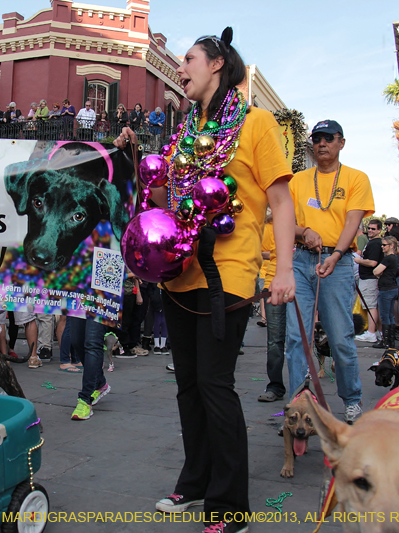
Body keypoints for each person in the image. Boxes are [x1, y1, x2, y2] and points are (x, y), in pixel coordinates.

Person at [114, 29, 295, 533]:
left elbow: (282, 201)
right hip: (179, 275)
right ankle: (194, 483)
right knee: (188, 386)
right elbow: (165, 202)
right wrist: (138, 169)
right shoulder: (184, 133)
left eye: (188, 59)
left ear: (217, 63)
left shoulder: (257, 124)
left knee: (216, 385)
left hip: (230, 274)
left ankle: (229, 506)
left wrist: (282, 270)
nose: (181, 68)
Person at [287, 118, 374, 426]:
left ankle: (351, 401)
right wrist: (304, 230)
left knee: (340, 338)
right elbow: (285, 222)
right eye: (317, 138)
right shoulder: (298, 181)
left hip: (338, 264)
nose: (321, 143)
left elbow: (353, 222)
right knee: (297, 338)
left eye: (328, 138)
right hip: (301, 260)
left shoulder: (356, 178)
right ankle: (297, 405)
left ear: (341, 142)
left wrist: (337, 254)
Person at [258, 214, 287, 402]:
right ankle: (275, 385)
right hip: (273, 280)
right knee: (275, 339)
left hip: (302, 281)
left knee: (300, 339)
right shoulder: (270, 224)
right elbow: (263, 252)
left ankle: (303, 387)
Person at [353, 219, 383, 343]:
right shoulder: (372, 242)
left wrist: (360, 261)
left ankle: (371, 332)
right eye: (369, 228)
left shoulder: (375, 243)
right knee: (371, 305)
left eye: (373, 229)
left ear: (379, 230)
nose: (370, 230)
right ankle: (378, 331)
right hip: (366, 277)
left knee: (370, 306)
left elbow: (373, 262)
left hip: (370, 278)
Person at [373, 236, 399, 348]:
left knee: (385, 315)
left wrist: (378, 273)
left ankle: (385, 341)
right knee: (389, 315)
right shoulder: (394, 258)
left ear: (391, 246)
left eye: (384, 245)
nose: (382, 247)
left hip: (386, 289)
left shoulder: (388, 258)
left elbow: (376, 271)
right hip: (392, 287)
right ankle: (390, 341)